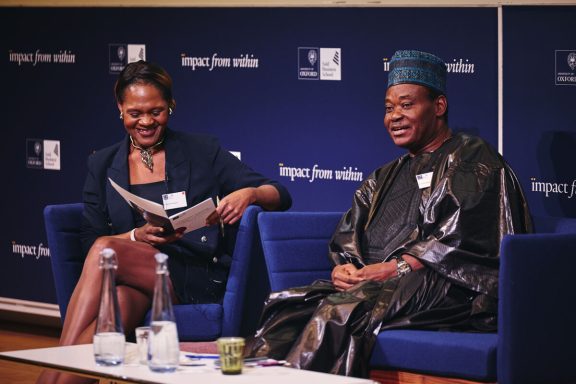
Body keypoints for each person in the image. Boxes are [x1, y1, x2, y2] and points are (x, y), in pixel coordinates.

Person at [245, 50, 532, 377]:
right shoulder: (384, 176)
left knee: (340, 312)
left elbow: (461, 240)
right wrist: (345, 269)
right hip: (379, 286)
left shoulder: (471, 157)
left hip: (450, 287)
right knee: (289, 307)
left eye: (407, 105)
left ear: (439, 107)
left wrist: (394, 268)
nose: (394, 116)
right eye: (389, 108)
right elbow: (348, 237)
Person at [37, 60, 292, 384]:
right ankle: (59, 375)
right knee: (112, 313)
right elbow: (90, 240)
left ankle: (54, 365)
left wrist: (251, 193)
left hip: (191, 276)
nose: (145, 121)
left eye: (156, 111)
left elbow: (281, 194)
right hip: (130, 279)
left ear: (171, 105)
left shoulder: (201, 151)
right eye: (135, 113)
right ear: (120, 108)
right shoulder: (101, 164)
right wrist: (135, 236)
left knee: (106, 249)